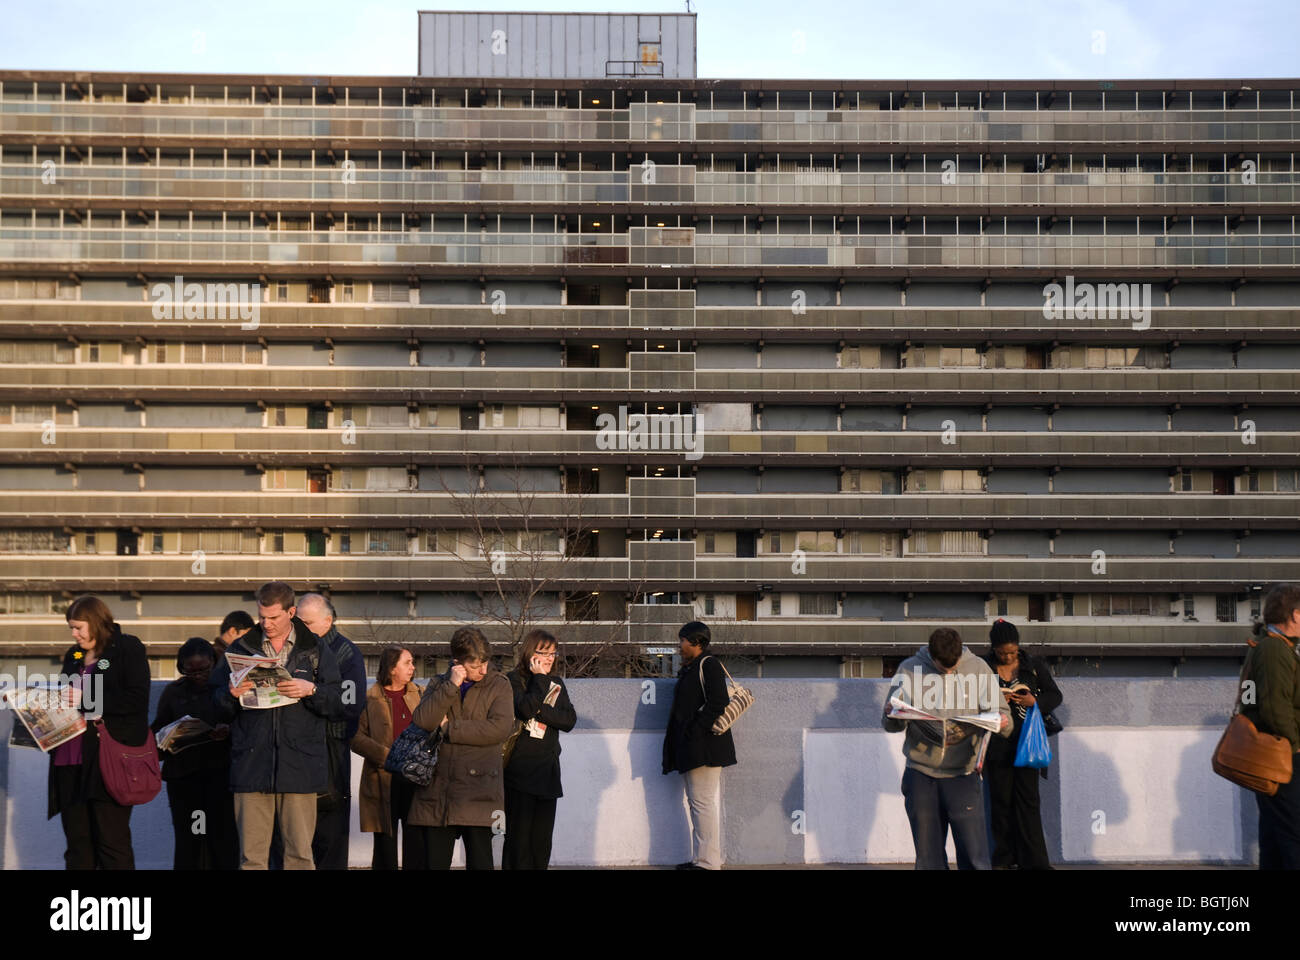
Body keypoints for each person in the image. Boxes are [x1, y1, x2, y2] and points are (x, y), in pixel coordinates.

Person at [210, 581, 343, 870]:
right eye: (262, 617)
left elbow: (337, 703)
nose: (266, 624)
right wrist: (230, 695)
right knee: (251, 859)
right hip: (251, 765)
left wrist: (311, 690)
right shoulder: (240, 648)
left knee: (299, 857)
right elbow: (214, 704)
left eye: (273, 617)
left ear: (291, 612)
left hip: (300, 768)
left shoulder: (317, 649)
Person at [882, 627, 1012, 870]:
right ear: (931, 656)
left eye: (954, 666)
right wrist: (892, 714)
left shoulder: (979, 669)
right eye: (944, 668)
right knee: (928, 858)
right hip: (920, 774)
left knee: (975, 856)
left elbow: (1005, 717)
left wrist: (1002, 721)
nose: (950, 672)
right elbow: (890, 724)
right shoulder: (909, 669)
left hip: (963, 774)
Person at [48, 595, 152, 869]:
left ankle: (120, 911)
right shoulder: (76, 655)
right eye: (71, 627)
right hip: (69, 760)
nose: (74, 634)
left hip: (107, 760)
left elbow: (136, 700)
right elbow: (66, 697)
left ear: (95, 623)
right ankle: (80, 910)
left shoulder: (126, 648)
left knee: (111, 842)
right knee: (78, 844)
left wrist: (85, 699)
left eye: (78, 627)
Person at [407, 627, 514, 870]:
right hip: (438, 792)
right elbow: (423, 721)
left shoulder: (499, 685)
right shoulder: (439, 683)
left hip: (481, 791)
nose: (483, 670)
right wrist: (451, 686)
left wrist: (449, 729)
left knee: (481, 862)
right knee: (433, 863)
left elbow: (499, 729)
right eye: (476, 665)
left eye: (486, 662)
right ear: (457, 663)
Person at [980, 618, 1063, 870]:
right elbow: (970, 698)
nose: (1008, 657)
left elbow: (1055, 695)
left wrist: (1033, 702)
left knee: (1028, 803)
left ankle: (1035, 862)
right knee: (1001, 804)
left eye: (1012, 652)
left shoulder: (1033, 665)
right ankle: (1004, 859)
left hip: (1027, 743)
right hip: (997, 744)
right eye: (1002, 653)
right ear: (993, 648)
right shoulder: (982, 667)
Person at [151, 637, 239, 870]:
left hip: (219, 776)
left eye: (204, 670)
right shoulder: (174, 692)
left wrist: (227, 730)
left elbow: (243, 725)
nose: (198, 675)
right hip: (184, 779)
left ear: (214, 663)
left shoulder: (226, 689)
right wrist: (169, 736)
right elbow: (157, 732)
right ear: (182, 669)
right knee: (189, 841)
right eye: (191, 671)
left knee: (222, 841)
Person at [292, 593, 365, 870]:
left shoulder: (345, 652)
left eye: (308, 623)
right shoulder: (293, 648)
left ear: (328, 621)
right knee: (296, 835)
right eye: (298, 622)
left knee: (330, 834)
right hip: (296, 750)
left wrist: (312, 696)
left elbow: (350, 706)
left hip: (331, 749)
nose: (302, 628)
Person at [661, 621, 736, 870]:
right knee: (699, 804)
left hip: (705, 748)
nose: (679, 645)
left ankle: (708, 862)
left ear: (697, 642)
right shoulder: (693, 667)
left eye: (683, 640)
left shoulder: (709, 664)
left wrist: (694, 730)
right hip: (696, 747)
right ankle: (701, 859)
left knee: (702, 804)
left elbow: (718, 702)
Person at [503, 629, 577, 870]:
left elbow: (569, 720)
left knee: (541, 842)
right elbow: (524, 709)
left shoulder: (557, 683)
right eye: (543, 652)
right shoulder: (514, 679)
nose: (549, 658)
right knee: (518, 840)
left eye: (553, 653)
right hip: (520, 771)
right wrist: (540, 679)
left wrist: (540, 710)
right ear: (530, 652)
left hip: (548, 770)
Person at [1240, 583, 1300, 869]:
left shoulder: (1268, 645)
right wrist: (1296, 745)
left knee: (1276, 839)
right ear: (1296, 615)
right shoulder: (1275, 649)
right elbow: (1276, 709)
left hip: (1271, 754)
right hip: (1283, 755)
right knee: (1293, 836)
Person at [351, 646, 425, 870]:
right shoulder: (369, 698)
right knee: (385, 844)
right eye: (407, 663)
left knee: (417, 841)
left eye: (413, 662)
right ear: (392, 668)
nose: (413, 667)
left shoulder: (421, 694)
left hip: (415, 778)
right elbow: (355, 737)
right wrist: (386, 756)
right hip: (382, 779)